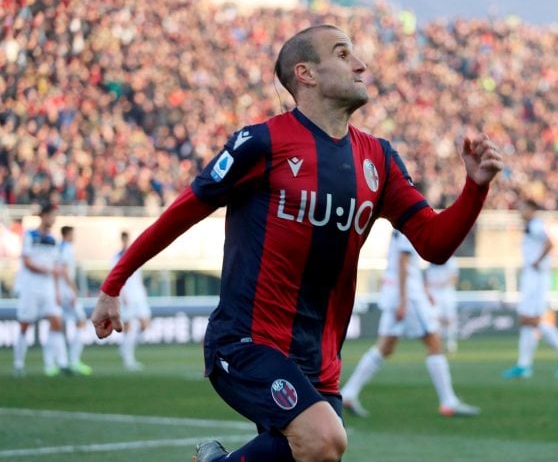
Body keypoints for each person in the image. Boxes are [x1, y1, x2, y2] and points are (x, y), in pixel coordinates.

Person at [91, 24, 503, 462]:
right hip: (245, 342)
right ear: (305, 74)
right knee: (324, 439)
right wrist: (113, 285)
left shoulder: (378, 158)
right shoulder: (263, 143)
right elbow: (184, 211)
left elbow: (434, 244)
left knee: (314, 450)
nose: (361, 64)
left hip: (320, 358)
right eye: (343, 54)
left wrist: (474, 189)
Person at [340, 231, 478, 418]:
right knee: (434, 343)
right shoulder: (407, 224)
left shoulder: (399, 225)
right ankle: (448, 402)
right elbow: (403, 262)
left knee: (385, 347)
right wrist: (405, 300)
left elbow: (404, 263)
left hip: (393, 292)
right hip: (408, 297)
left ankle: (349, 393)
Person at [502, 198, 558, 380]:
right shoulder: (529, 226)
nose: (520, 211)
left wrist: (537, 261)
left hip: (536, 277)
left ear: (532, 209)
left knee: (532, 319)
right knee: (527, 320)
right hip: (531, 276)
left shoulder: (536, 224)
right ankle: (524, 365)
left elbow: (550, 243)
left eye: (523, 208)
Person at [12, 203, 69, 377]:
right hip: (30, 288)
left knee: (56, 322)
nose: (53, 219)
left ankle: (62, 363)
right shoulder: (30, 235)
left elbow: (57, 267)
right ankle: (19, 363)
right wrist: (48, 271)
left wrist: (58, 291)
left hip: (48, 289)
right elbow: (27, 263)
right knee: (24, 325)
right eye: (51, 215)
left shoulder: (53, 241)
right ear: (43, 216)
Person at [112, 231, 152, 371]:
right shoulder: (117, 257)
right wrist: (122, 294)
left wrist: (143, 290)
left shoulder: (136, 253)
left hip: (139, 295)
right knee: (128, 328)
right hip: (127, 295)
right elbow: (116, 276)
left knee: (144, 325)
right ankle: (129, 359)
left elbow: (138, 275)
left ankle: (125, 348)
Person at [57, 225, 93, 375]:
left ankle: (62, 361)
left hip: (60, 291)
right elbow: (65, 271)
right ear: (67, 234)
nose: (74, 236)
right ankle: (74, 360)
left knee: (60, 326)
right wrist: (73, 289)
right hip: (67, 292)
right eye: (72, 234)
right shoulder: (67, 248)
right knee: (81, 321)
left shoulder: (59, 247)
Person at [425, 255, 460, 353]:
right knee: (435, 320)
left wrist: (442, 284)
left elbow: (454, 277)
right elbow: (427, 280)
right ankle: (437, 344)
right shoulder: (431, 261)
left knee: (449, 320)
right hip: (434, 294)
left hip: (447, 294)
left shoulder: (451, 260)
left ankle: (450, 344)